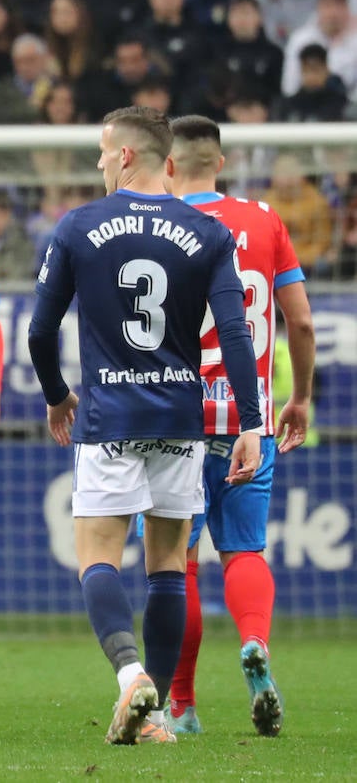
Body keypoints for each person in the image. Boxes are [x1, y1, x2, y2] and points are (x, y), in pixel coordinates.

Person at [26, 105, 264, 746]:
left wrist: (56, 396)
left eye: (104, 152)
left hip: (108, 419)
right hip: (181, 421)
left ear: (127, 155)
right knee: (167, 567)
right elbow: (235, 333)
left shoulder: (78, 226)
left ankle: (132, 677)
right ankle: (156, 716)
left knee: (96, 559)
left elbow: (40, 330)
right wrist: (250, 420)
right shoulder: (208, 234)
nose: (100, 162)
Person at [158, 116, 315, 738]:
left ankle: (184, 704)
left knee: (177, 565)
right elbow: (300, 322)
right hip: (249, 421)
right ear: (220, 161)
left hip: (176, 420)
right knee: (244, 549)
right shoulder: (264, 220)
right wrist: (298, 397)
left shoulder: (157, 227)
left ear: (169, 164)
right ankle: (254, 643)